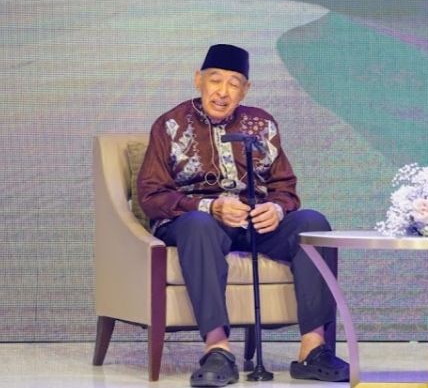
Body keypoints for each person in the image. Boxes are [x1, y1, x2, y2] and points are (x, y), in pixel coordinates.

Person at [137, 44, 349, 387]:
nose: (222, 92)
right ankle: (217, 349)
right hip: (195, 221)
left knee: (313, 223)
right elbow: (151, 195)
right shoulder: (170, 125)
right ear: (198, 80)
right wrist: (209, 207)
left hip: (253, 223)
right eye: (215, 80)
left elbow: (285, 188)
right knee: (199, 226)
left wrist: (276, 208)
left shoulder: (262, 124)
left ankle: (313, 349)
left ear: (245, 89)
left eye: (233, 83)